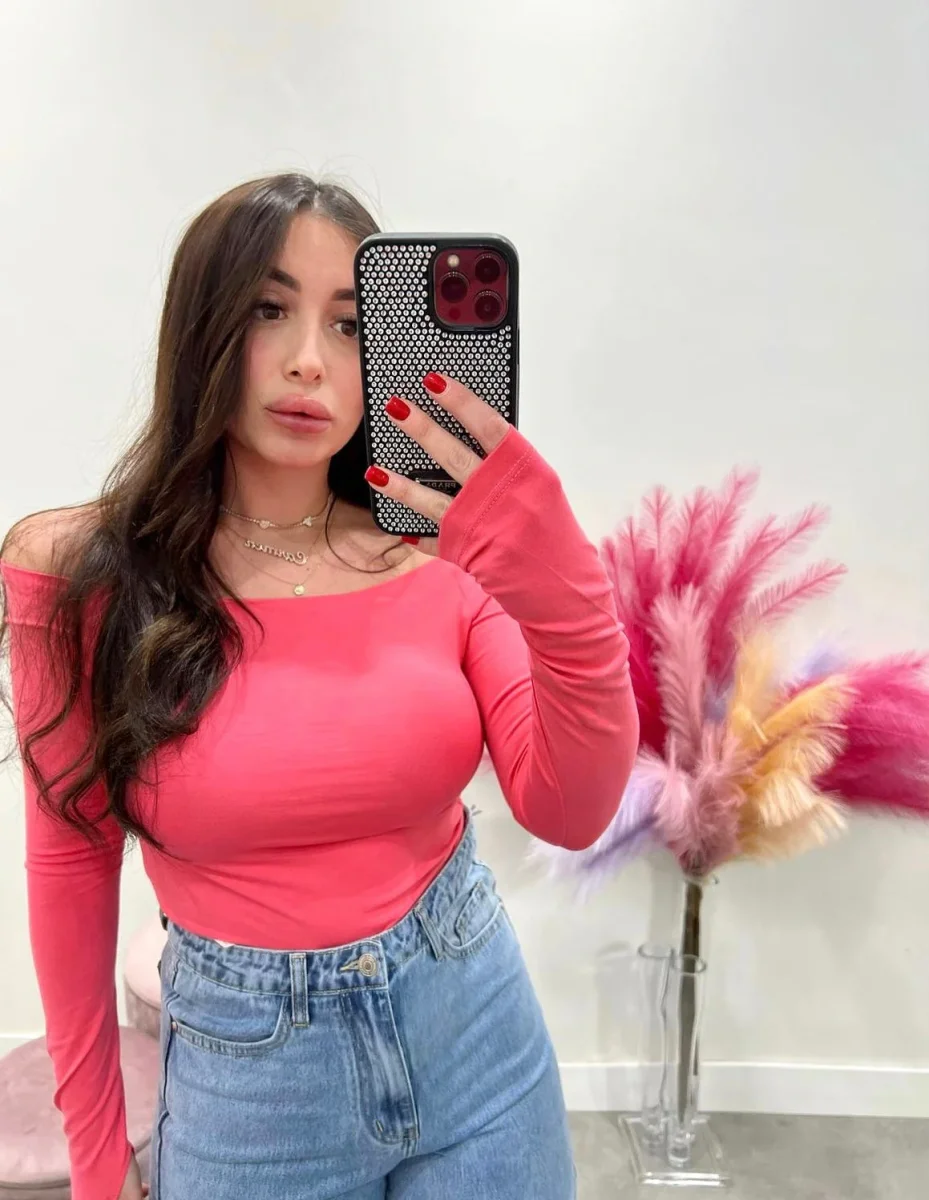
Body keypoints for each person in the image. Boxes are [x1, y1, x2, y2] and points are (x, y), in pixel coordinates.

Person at [0, 172, 639, 1200]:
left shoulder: (444, 554)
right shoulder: (80, 571)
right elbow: (70, 860)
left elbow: (568, 810)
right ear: (202, 329)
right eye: (268, 309)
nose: (308, 359)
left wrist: (565, 593)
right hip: (251, 1093)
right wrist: (98, 1158)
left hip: (475, 1037)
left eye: (348, 324)